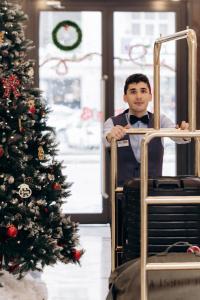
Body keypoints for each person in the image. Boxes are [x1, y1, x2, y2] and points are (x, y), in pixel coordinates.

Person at [103, 73, 190, 186]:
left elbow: (177, 136)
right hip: (122, 194)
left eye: (143, 91)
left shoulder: (160, 120)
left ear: (150, 96)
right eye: (133, 92)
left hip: (153, 193)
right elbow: (106, 138)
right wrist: (111, 135)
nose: (138, 96)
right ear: (125, 97)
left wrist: (184, 133)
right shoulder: (112, 122)